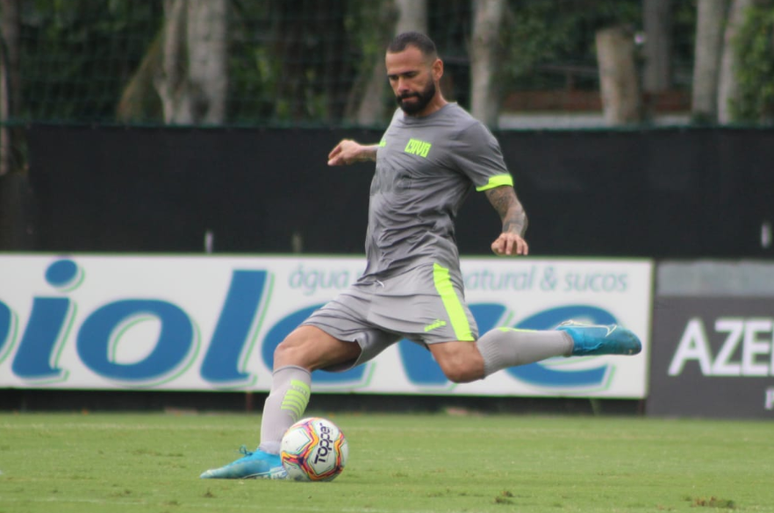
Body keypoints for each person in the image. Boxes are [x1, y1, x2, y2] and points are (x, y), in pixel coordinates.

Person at [200, 31, 641, 480]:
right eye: (393, 78)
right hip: (376, 278)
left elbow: (511, 202)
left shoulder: (467, 133)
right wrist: (364, 151)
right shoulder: (400, 117)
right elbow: (407, 152)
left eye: (409, 75)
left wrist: (512, 231)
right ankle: (270, 452)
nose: (401, 86)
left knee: (463, 366)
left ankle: (573, 338)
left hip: (423, 271)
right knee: (292, 350)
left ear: (436, 70)